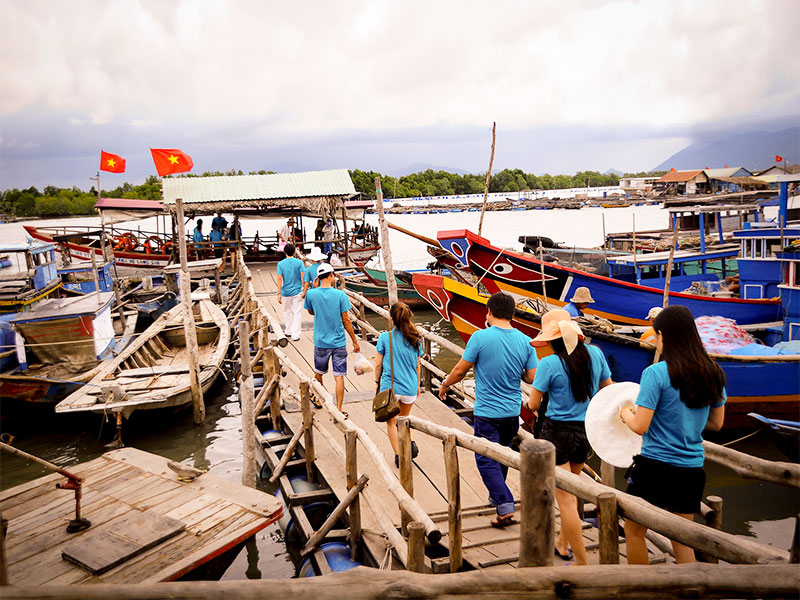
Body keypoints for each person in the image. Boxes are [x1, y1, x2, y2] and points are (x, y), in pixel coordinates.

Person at [620, 305, 726, 565]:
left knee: (634, 531)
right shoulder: (713, 373)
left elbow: (640, 426)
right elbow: (716, 423)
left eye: (655, 335)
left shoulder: (655, 373)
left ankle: (641, 591)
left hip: (655, 466)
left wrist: (625, 413)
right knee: (681, 538)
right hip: (691, 469)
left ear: (663, 335)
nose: (655, 341)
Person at [439, 292, 538, 527]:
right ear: (513, 314)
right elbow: (533, 377)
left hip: (487, 412)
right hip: (511, 413)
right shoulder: (525, 341)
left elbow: (461, 370)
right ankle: (497, 497)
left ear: (489, 312)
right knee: (501, 455)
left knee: (485, 459)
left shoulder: (479, 337)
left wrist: (445, 384)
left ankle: (504, 504)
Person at [528, 309, 613, 565]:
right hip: (586, 431)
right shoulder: (596, 354)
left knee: (565, 498)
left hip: (557, 432)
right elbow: (608, 389)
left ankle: (583, 562)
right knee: (572, 488)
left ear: (553, 339)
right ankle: (563, 544)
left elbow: (533, 404)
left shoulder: (550, 364)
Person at [304, 263, 361, 413]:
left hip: (321, 341)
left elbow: (311, 312)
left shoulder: (311, 294)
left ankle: (317, 396)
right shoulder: (340, 295)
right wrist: (355, 341)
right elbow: (346, 320)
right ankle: (340, 409)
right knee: (339, 375)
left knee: (319, 372)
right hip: (339, 342)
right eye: (334, 275)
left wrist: (315, 289)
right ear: (331, 275)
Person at [374, 302, 424, 467]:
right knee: (404, 418)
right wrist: (417, 385)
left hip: (391, 387)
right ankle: (412, 443)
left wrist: (376, 381)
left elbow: (378, 365)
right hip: (410, 386)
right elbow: (418, 365)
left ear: (391, 318)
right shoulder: (416, 338)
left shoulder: (385, 338)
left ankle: (398, 455)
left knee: (391, 422)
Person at [276, 243, 305, 341]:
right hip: (297, 291)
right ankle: (295, 335)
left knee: (286, 312)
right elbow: (303, 277)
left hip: (285, 292)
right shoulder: (299, 263)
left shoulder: (280, 264)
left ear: (284, 252)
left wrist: (278, 292)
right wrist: (304, 290)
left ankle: (288, 331)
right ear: (294, 252)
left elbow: (279, 278)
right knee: (297, 313)